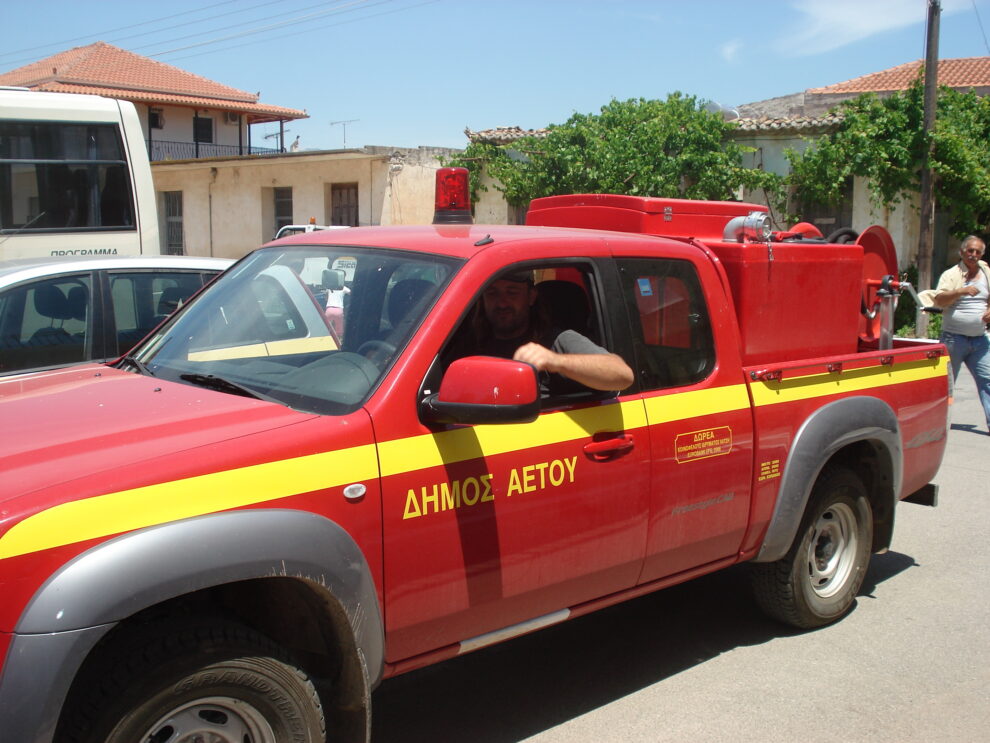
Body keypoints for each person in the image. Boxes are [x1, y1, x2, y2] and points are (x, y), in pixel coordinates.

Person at [466, 271, 634, 393]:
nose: (502, 303)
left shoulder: (555, 340)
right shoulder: (467, 340)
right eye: (492, 293)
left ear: (531, 297)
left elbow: (622, 374)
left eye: (512, 292)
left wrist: (554, 361)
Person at [931, 235, 990, 432]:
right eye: (970, 251)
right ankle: (937, 423)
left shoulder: (987, 272)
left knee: (988, 381)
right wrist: (961, 291)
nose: (973, 255)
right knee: (947, 384)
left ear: (982, 254)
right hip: (953, 339)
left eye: (977, 252)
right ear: (962, 252)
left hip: (980, 340)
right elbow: (939, 299)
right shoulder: (952, 274)